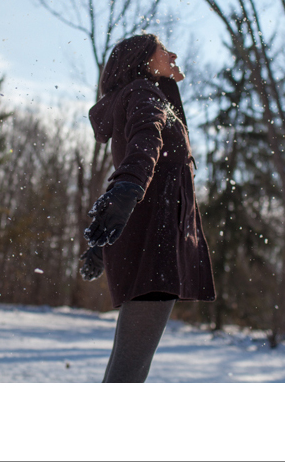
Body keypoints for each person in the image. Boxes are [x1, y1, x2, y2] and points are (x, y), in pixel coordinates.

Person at [81, 33, 215, 382]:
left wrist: (103, 239)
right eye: (162, 50)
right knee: (129, 369)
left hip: (148, 237)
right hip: (156, 242)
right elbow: (146, 139)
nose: (172, 53)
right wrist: (128, 188)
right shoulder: (144, 92)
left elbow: (142, 151)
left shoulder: (144, 93)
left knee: (127, 362)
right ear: (142, 61)